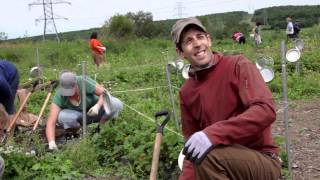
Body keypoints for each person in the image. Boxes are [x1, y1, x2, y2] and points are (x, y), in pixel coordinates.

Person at [171, 17, 281, 179]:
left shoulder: (237, 65)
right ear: (180, 53)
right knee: (202, 157)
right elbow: (192, 148)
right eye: (188, 41)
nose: (197, 44)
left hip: (260, 159)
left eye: (200, 37)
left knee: (207, 156)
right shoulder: (187, 92)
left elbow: (265, 111)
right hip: (218, 163)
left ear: (209, 40)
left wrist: (213, 134)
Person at [45, 71, 123, 150]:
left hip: (96, 112)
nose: (69, 94)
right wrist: (51, 142)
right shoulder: (59, 95)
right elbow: (51, 121)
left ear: (75, 84)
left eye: (71, 90)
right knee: (63, 116)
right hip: (80, 117)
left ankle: (102, 127)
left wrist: (97, 106)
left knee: (115, 103)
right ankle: (76, 134)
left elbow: (104, 93)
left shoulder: (83, 81)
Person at [0, 60, 19, 131]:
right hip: (3, 71)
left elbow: (8, 95)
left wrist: (4, 111)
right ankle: (3, 126)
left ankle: (10, 137)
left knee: (8, 108)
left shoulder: (2, 83)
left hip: (12, 75)